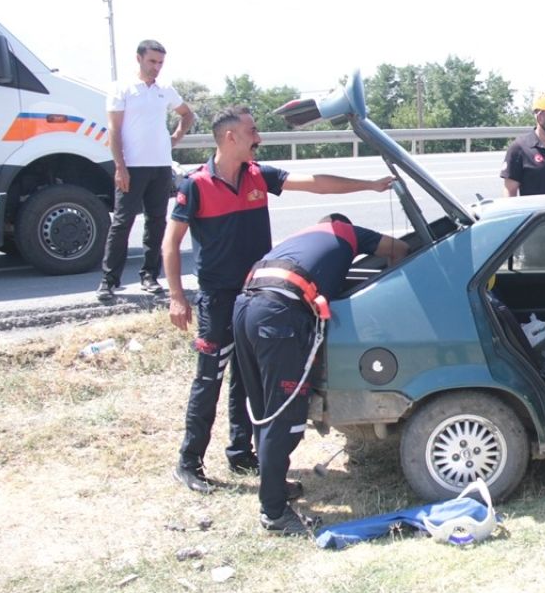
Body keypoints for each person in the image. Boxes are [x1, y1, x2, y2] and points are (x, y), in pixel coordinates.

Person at [163, 106, 394, 494]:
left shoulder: (259, 176)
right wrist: (175, 296)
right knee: (209, 380)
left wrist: (369, 185)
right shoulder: (195, 185)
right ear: (230, 137)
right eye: (253, 131)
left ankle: (241, 453)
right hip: (218, 300)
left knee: (247, 380)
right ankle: (189, 463)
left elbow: (316, 183)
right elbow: (170, 244)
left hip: (254, 297)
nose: (259, 137)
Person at [234, 214, 407, 535]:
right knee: (284, 416)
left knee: (263, 406)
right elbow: (399, 248)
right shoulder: (348, 233)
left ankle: (273, 486)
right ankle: (273, 513)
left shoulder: (303, 237)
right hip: (278, 314)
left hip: (245, 304)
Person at [96, 40, 194, 301]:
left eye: (160, 63)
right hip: (132, 167)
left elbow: (187, 114)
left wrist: (174, 138)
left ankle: (150, 276)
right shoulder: (123, 88)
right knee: (122, 222)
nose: (156, 67)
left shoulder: (165, 89)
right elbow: (114, 130)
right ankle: (109, 280)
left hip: (160, 166)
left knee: (157, 222)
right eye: (152, 61)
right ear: (139, 59)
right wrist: (120, 166)